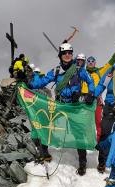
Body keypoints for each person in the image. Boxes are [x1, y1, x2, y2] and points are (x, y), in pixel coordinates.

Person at [29, 42, 95, 176]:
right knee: (46, 125)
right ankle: (44, 153)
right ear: (60, 55)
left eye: (70, 53)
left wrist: (91, 93)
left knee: (79, 133)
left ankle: (82, 163)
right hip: (59, 104)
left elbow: (90, 81)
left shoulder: (79, 70)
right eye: (64, 53)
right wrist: (28, 83)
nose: (67, 55)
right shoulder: (56, 71)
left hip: (74, 106)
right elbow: (42, 82)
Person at [81, 42, 115, 143]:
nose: (90, 62)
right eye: (89, 61)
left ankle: (99, 143)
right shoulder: (82, 72)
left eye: (92, 61)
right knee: (82, 121)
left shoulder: (99, 71)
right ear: (86, 63)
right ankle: (83, 141)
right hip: (83, 99)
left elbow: (110, 63)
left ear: (95, 63)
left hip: (96, 99)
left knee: (98, 122)